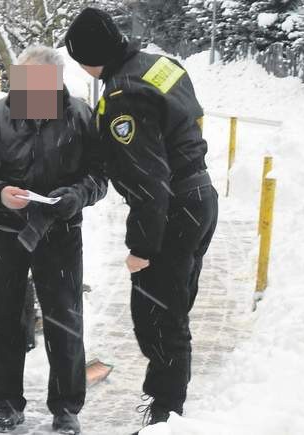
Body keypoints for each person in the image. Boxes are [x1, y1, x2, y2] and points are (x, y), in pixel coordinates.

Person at [65, 8, 219, 432]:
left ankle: (166, 416)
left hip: (173, 211)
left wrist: (141, 250)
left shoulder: (123, 97)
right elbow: (191, 117)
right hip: (201, 198)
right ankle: (166, 409)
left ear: (91, 55)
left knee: (157, 319)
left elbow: (151, 184)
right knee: (173, 312)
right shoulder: (160, 65)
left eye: (79, 58)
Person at [0, 45, 107, 434]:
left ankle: (66, 409)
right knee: (6, 319)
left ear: (55, 82)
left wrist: (76, 195)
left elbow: (99, 176)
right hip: (5, 233)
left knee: (64, 319)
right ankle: (7, 404)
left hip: (60, 233)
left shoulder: (80, 116)